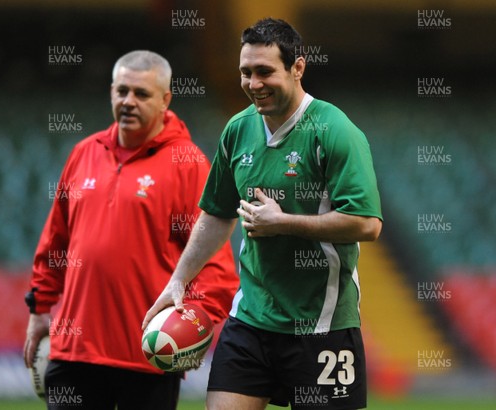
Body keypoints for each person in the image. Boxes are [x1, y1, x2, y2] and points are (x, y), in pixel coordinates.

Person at [143, 18, 383, 410]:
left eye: (265, 72)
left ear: (298, 68)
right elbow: (217, 213)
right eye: (246, 72)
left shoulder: (335, 130)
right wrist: (179, 280)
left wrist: (282, 222)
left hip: (322, 326)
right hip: (251, 320)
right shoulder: (237, 129)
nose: (253, 83)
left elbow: (367, 224)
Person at [23, 50, 238, 410]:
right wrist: (39, 308)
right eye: (122, 91)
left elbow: (215, 264)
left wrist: (197, 323)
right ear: (110, 92)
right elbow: (55, 241)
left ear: (166, 100)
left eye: (141, 94)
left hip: (149, 358)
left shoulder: (188, 164)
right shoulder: (83, 153)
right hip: (74, 352)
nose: (128, 101)